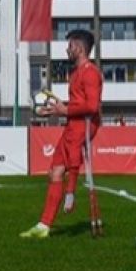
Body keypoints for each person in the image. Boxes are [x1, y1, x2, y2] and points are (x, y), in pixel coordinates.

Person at [20, 29, 102, 239]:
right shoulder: (74, 73)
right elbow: (78, 103)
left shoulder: (91, 73)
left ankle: (71, 193)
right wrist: (58, 109)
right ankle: (43, 226)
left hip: (84, 124)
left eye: (70, 46)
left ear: (80, 48)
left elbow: (92, 106)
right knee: (54, 173)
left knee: (71, 157)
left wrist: (65, 110)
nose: (67, 49)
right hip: (72, 122)